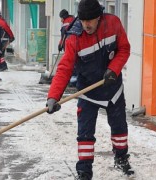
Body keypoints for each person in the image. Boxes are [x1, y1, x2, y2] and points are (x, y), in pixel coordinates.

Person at [45, 0, 133, 179]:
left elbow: (124, 49)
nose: (87, 25)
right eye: (84, 20)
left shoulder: (113, 23)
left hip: (112, 87)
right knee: (85, 133)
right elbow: (65, 68)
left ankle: (122, 159)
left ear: (99, 17)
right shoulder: (74, 38)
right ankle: (84, 171)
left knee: (119, 128)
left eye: (90, 20)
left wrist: (113, 70)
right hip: (87, 91)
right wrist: (53, 96)